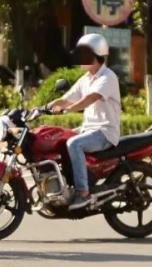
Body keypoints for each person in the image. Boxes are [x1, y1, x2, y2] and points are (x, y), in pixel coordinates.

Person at [49, 34, 122, 210]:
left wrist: (69, 109)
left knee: (74, 144)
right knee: (58, 139)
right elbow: (66, 98)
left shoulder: (107, 77)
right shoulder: (86, 79)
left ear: (96, 55)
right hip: (88, 129)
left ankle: (83, 193)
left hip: (105, 132)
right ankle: (65, 186)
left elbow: (91, 98)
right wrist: (41, 108)